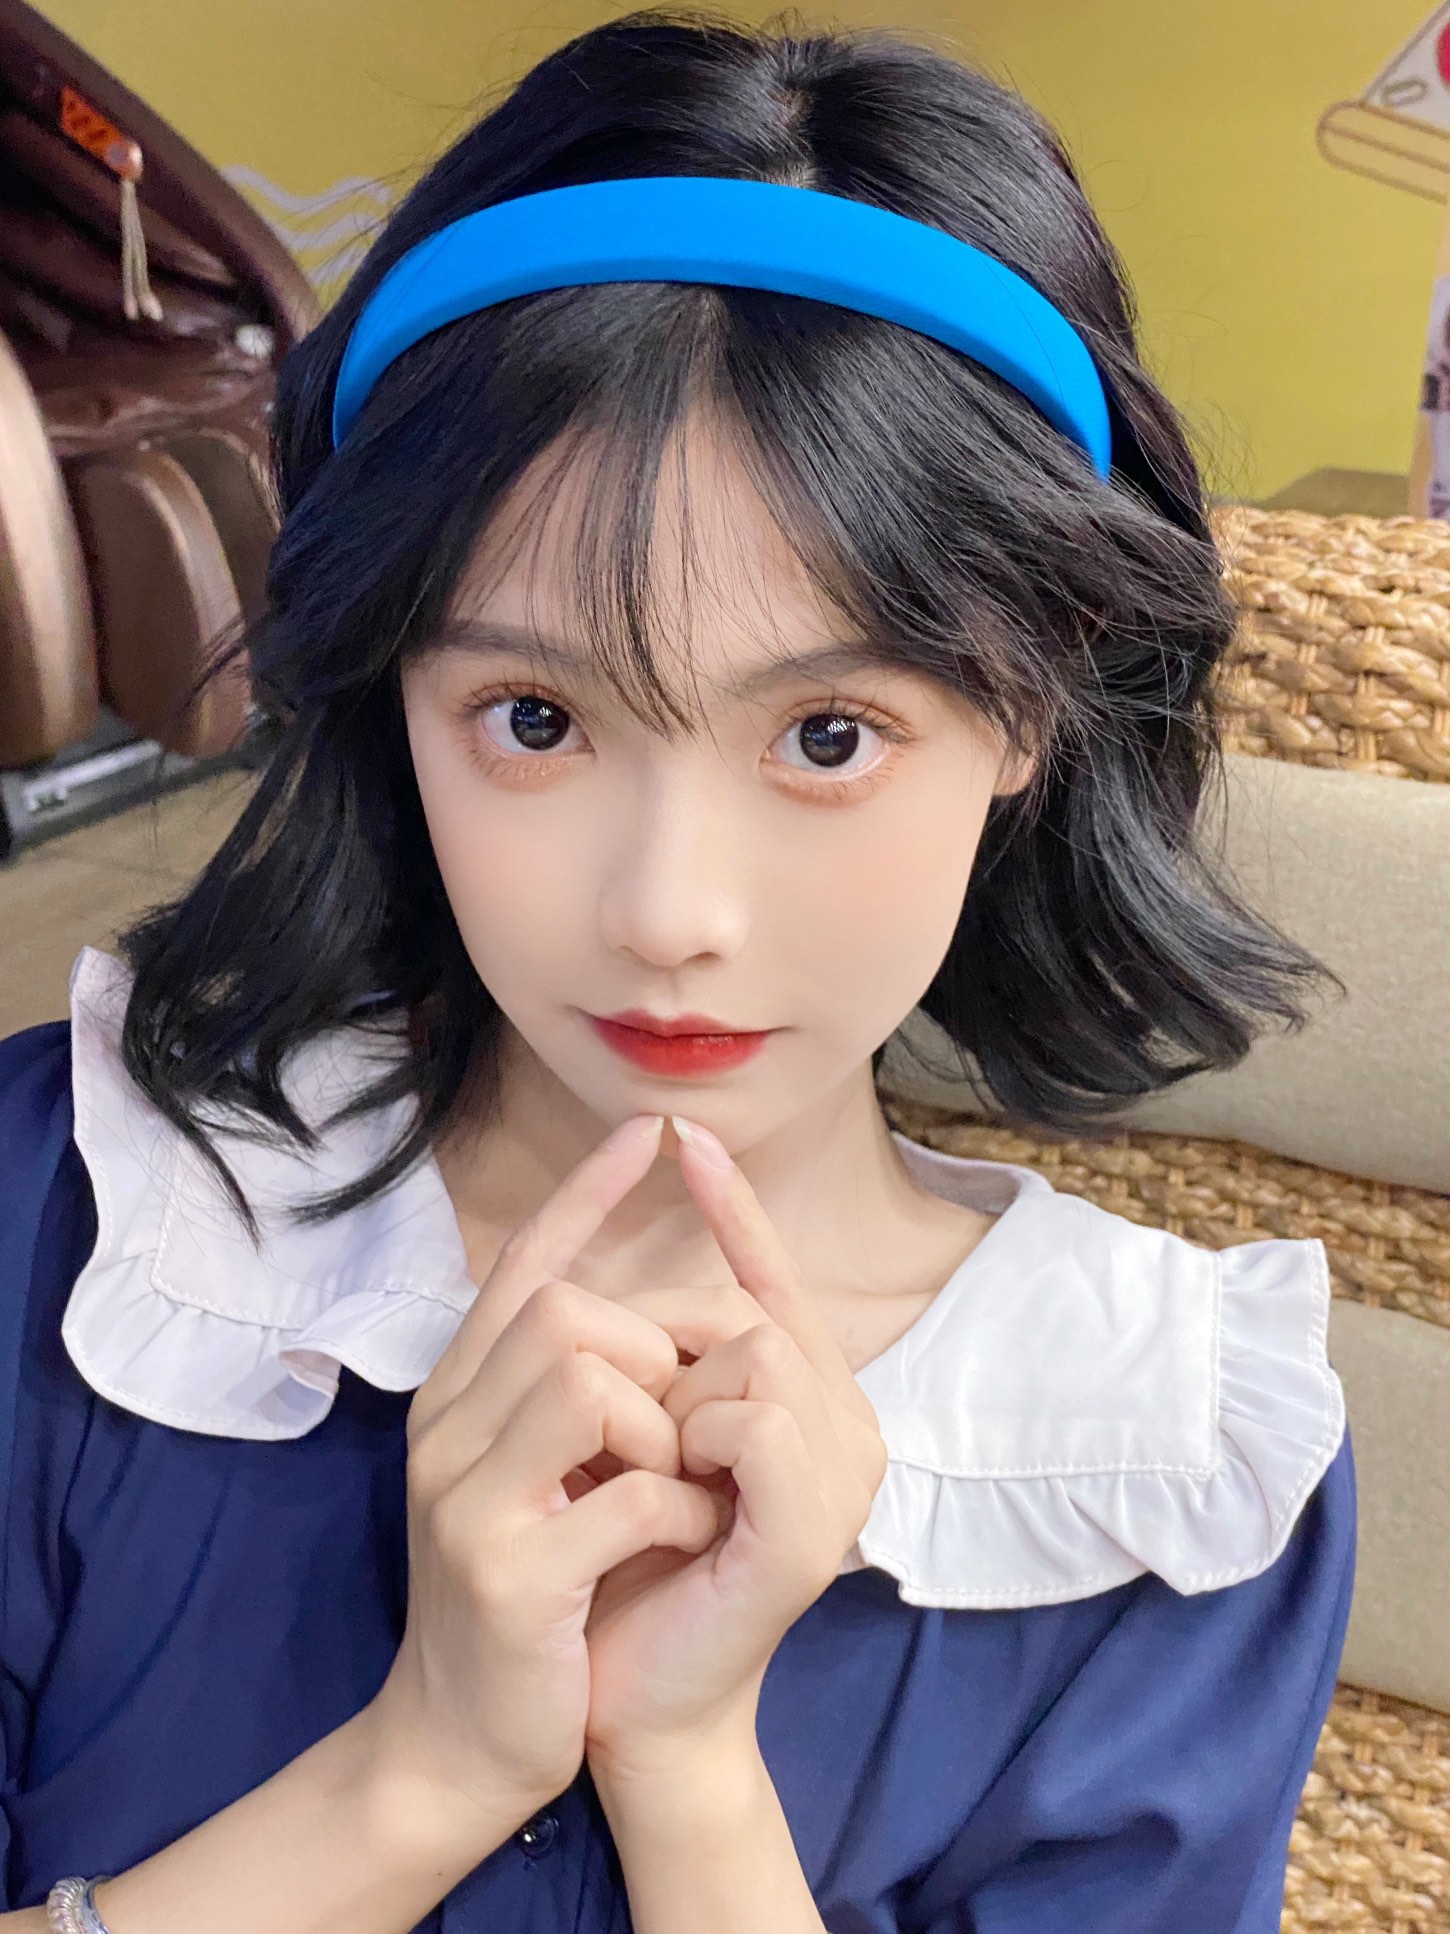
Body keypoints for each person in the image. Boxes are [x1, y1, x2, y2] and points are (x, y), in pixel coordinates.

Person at [0, 9, 1356, 1932]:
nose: (667, 911)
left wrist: (691, 1774)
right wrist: (419, 1773)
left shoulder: (1171, 1466)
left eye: (826, 735)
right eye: (534, 717)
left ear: (1034, 701)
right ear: (393, 684)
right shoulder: (73, 1222)